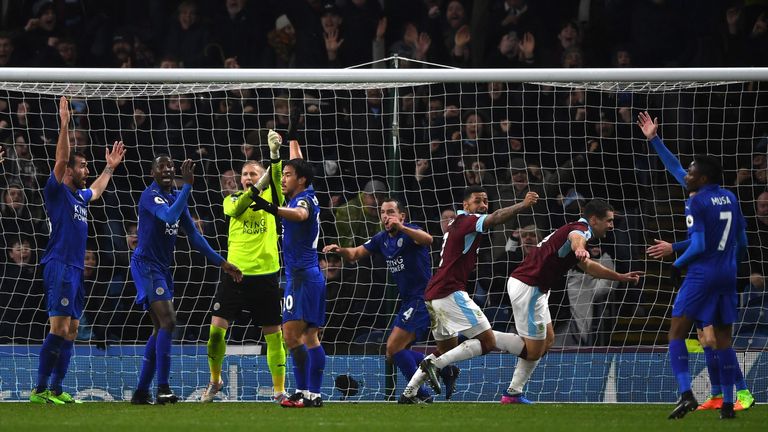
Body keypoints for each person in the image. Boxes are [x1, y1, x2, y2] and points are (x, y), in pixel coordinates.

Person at [638, 111, 749, 419]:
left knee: (677, 333)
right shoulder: (729, 197)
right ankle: (728, 402)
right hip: (727, 274)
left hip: (702, 274)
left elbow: (700, 244)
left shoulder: (695, 201)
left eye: (691, 172)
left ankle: (687, 392)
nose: (685, 174)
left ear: (701, 178)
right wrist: (654, 140)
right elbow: (742, 241)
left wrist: (677, 263)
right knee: (720, 340)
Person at [400, 186, 539, 402]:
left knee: (446, 349)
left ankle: (409, 392)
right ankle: (435, 366)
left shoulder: (455, 224)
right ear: (466, 205)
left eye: (485, 201)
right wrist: (523, 204)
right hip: (450, 292)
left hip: (433, 296)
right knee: (488, 341)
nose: (483, 205)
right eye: (477, 201)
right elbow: (496, 217)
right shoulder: (467, 221)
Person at [30, 96, 126, 405]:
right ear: (69, 171)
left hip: (74, 270)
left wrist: (109, 169)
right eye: (82, 165)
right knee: (58, 328)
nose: (86, 169)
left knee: (71, 330)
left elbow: (96, 190)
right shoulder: (56, 193)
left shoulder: (80, 199)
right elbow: (60, 161)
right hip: (58, 264)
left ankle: (56, 389)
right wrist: (65, 124)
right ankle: (40, 388)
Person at [501, 199, 643, 404]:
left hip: (536, 288)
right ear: (594, 219)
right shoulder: (580, 229)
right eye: (609, 220)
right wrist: (579, 248)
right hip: (527, 286)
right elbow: (575, 238)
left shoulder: (581, 232)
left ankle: (513, 393)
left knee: (548, 339)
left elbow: (590, 267)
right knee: (533, 349)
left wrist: (620, 277)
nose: (611, 225)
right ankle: (485, 339)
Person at [129, 155, 242, 405]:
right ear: (153, 173)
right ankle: (163, 388)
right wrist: (188, 186)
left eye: (171, 166)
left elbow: (194, 236)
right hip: (145, 265)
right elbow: (168, 218)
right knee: (168, 321)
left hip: (161, 268)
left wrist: (222, 262)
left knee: (160, 327)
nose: (168, 170)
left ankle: (140, 391)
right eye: (162, 166)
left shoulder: (175, 198)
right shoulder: (151, 196)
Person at [201, 130, 288, 403]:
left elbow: (274, 181)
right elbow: (238, 209)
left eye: (253, 173)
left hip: (265, 276)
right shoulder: (232, 200)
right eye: (245, 174)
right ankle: (215, 381)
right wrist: (259, 184)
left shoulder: (274, 201)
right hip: (235, 275)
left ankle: (279, 390)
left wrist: (274, 157)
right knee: (215, 332)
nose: (247, 178)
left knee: (274, 336)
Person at [323, 197, 439, 402]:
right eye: (383, 213)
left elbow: (428, 239)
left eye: (391, 212)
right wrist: (339, 250)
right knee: (393, 352)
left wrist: (402, 227)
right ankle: (436, 374)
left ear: (401, 216)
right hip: (407, 301)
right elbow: (356, 253)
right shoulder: (381, 239)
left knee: (394, 349)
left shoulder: (410, 232)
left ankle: (420, 394)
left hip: (422, 298)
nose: (386, 216)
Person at [247, 140, 325, 408]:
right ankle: (310, 394)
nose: (282, 179)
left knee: (291, 336)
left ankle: (305, 391)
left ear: (301, 180)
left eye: (288, 175)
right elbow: (299, 165)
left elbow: (301, 215)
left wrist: (271, 208)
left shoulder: (301, 200)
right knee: (308, 336)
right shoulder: (307, 189)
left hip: (302, 277)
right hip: (307, 275)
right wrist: (292, 139)